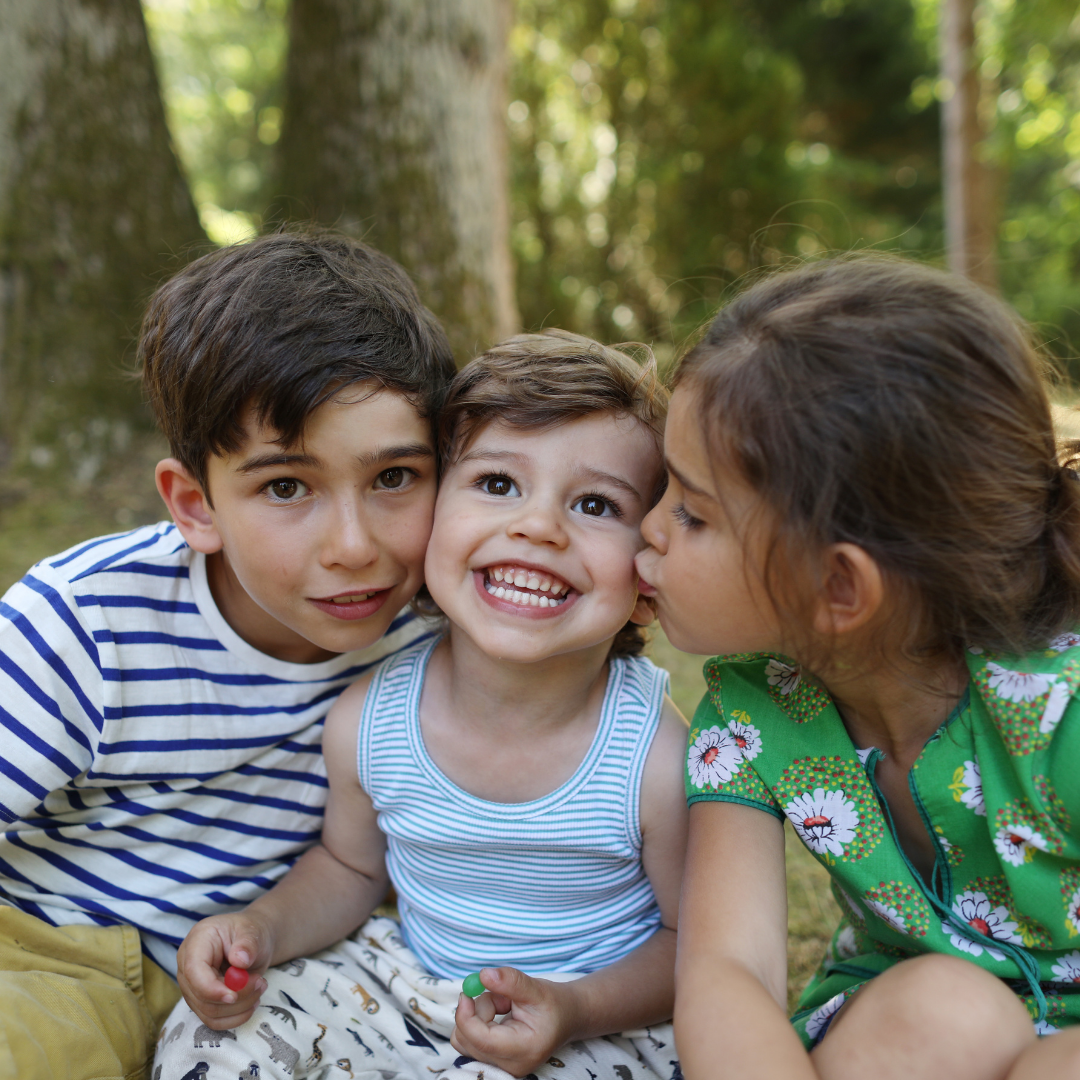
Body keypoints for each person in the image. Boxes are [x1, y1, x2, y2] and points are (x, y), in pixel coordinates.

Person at [154, 330, 689, 1080]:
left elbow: (689, 942)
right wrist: (259, 930)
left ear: (649, 571)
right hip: (403, 983)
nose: (538, 526)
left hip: (591, 1019)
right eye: (499, 485)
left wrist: (576, 1008)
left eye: (596, 503)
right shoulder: (372, 718)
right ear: (433, 516)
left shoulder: (654, 757)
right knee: (209, 1043)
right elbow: (349, 868)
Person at [0, 230, 457, 1080]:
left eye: (394, 477)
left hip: (265, 981)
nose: (354, 547)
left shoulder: (441, 632)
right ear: (195, 504)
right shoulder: (86, 622)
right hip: (47, 952)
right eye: (287, 486)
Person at [634, 255, 1080, 1080]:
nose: (648, 526)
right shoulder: (749, 713)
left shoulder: (1060, 711)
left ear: (839, 587)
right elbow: (731, 971)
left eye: (692, 512)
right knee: (948, 1013)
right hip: (907, 1025)